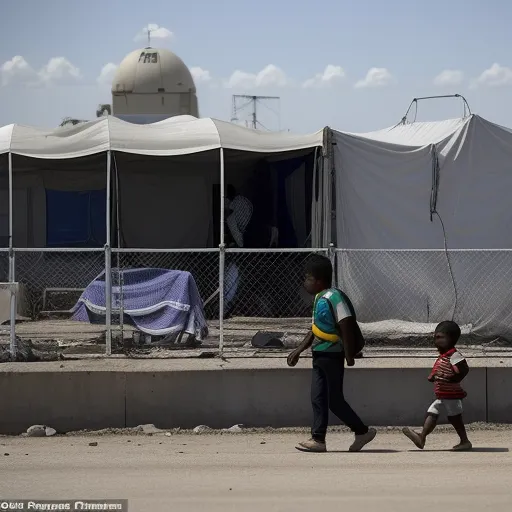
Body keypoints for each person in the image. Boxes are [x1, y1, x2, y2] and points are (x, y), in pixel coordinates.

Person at [287, 254, 376, 453]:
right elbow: (315, 329)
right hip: (319, 355)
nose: (305, 282)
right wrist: (299, 350)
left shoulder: (333, 297)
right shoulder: (319, 299)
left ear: (319, 280)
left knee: (334, 400)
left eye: (308, 278)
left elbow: (345, 323)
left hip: (332, 355)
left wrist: (349, 354)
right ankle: (318, 439)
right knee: (318, 398)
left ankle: (361, 431)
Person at [402, 320, 472, 451]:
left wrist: (451, 378)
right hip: (443, 395)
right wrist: (433, 376)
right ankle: (421, 437)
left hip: (452, 395)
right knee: (432, 412)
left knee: (455, 419)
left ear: (451, 338)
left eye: (440, 337)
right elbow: (437, 370)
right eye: (435, 337)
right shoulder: (443, 357)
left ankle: (465, 441)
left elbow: (464, 369)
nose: (436, 340)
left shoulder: (454, 355)